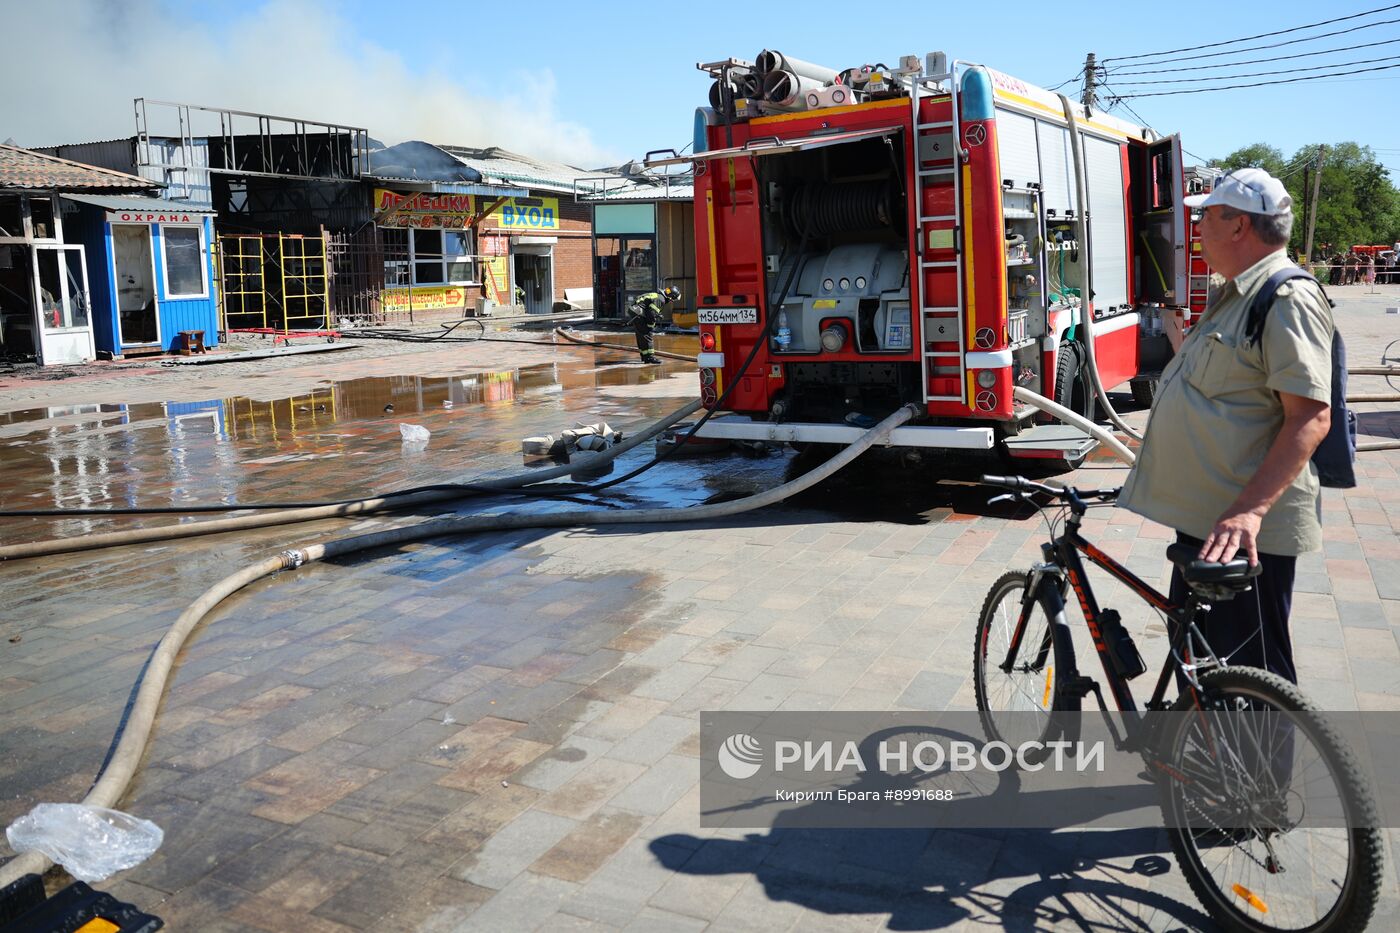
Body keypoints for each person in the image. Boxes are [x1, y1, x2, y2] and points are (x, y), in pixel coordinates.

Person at [1119, 168, 1334, 685]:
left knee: (1250, 679)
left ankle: (1260, 769)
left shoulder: (1285, 299)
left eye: (1207, 217)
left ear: (1239, 226)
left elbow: (1311, 416)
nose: (1197, 228)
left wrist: (1250, 511)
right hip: (1210, 520)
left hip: (1241, 531)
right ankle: (1200, 762)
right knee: (1203, 665)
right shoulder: (1235, 293)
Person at [629, 286, 680, 364]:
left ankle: (645, 356)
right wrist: (651, 325)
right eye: (673, 299)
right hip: (638, 313)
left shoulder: (657, 295)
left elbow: (649, 309)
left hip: (635, 311)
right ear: (671, 297)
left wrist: (656, 315)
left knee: (641, 335)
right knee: (647, 334)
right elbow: (651, 313)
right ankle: (649, 357)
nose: (672, 301)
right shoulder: (661, 299)